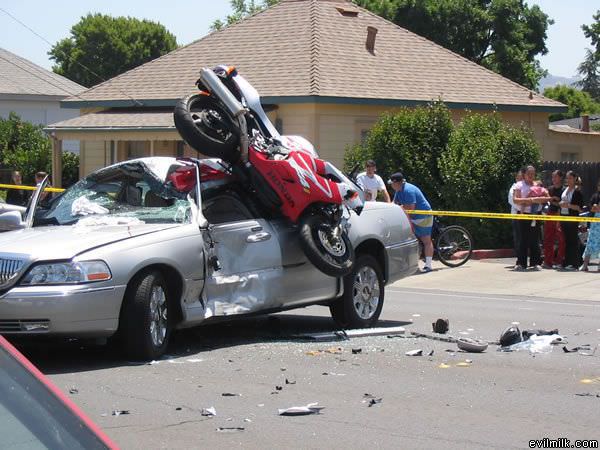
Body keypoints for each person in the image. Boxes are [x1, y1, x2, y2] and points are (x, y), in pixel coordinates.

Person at [389, 172, 434, 273]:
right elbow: (394, 204)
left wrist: (399, 208)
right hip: (413, 218)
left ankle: (429, 265)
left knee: (426, 240)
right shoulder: (398, 190)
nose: (391, 185)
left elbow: (410, 208)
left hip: (423, 217)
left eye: (392, 183)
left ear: (397, 183)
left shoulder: (408, 190)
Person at [512, 165, 552, 271]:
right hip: (523, 214)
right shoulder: (519, 185)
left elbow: (547, 198)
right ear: (524, 174)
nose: (531, 175)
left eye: (533, 173)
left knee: (534, 240)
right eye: (529, 173)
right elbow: (516, 200)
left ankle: (535, 263)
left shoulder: (538, 185)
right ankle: (521, 263)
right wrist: (528, 200)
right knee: (522, 239)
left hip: (536, 214)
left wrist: (537, 199)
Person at [559, 170, 584, 271]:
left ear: (574, 179)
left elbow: (580, 207)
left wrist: (568, 205)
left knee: (573, 241)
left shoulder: (577, 191)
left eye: (570, 178)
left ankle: (575, 263)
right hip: (563, 217)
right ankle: (567, 262)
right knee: (566, 240)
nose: (568, 180)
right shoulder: (564, 189)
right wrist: (561, 204)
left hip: (572, 218)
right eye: (567, 178)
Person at [543, 170, 565, 269]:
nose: (553, 179)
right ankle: (548, 261)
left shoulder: (564, 190)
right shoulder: (549, 189)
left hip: (560, 215)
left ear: (560, 178)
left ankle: (559, 261)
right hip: (550, 214)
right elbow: (545, 201)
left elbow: (563, 204)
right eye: (552, 177)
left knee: (561, 239)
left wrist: (556, 201)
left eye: (555, 177)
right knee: (548, 238)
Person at [580, 179, 600, 271]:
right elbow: (590, 207)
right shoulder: (595, 196)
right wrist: (595, 208)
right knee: (590, 243)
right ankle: (585, 265)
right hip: (595, 223)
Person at [508, 170, 524, 261]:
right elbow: (513, 201)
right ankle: (519, 259)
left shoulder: (525, 187)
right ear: (516, 178)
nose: (521, 179)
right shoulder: (513, 188)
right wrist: (524, 205)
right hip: (516, 216)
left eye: (522, 177)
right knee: (518, 238)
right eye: (519, 177)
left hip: (525, 215)